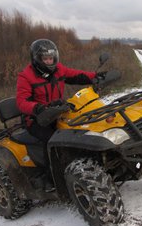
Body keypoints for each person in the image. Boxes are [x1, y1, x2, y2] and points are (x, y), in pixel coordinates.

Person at [16, 39, 98, 192]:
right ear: (36, 59)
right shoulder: (25, 76)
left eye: (51, 58)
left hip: (58, 113)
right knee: (52, 141)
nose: (49, 61)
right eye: (45, 59)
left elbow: (77, 75)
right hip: (36, 119)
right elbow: (21, 102)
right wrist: (38, 108)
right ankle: (51, 178)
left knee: (81, 128)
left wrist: (95, 77)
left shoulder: (58, 69)